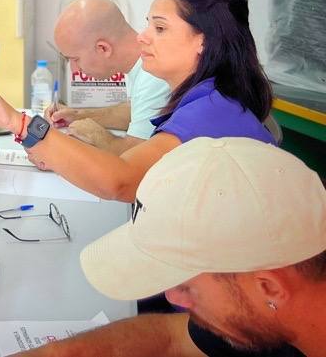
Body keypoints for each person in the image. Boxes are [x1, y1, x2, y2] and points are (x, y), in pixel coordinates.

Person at [0, 0, 276, 201]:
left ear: (203, 41)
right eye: (149, 23)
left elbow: (122, 180)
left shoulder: (211, 109)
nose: (143, 36)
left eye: (160, 28)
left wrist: (20, 125)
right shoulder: (204, 98)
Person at [20, 137, 326, 357]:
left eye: (187, 285)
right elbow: (172, 338)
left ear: (269, 288)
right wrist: (59, 352)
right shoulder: (263, 308)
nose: (172, 296)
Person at [46, 0, 170, 154]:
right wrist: (77, 115)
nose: (74, 70)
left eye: (75, 59)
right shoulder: (141, 67)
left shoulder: (154, 75)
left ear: (103, 48)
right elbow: (137, 113)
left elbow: (136, 157)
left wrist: (99, 138)